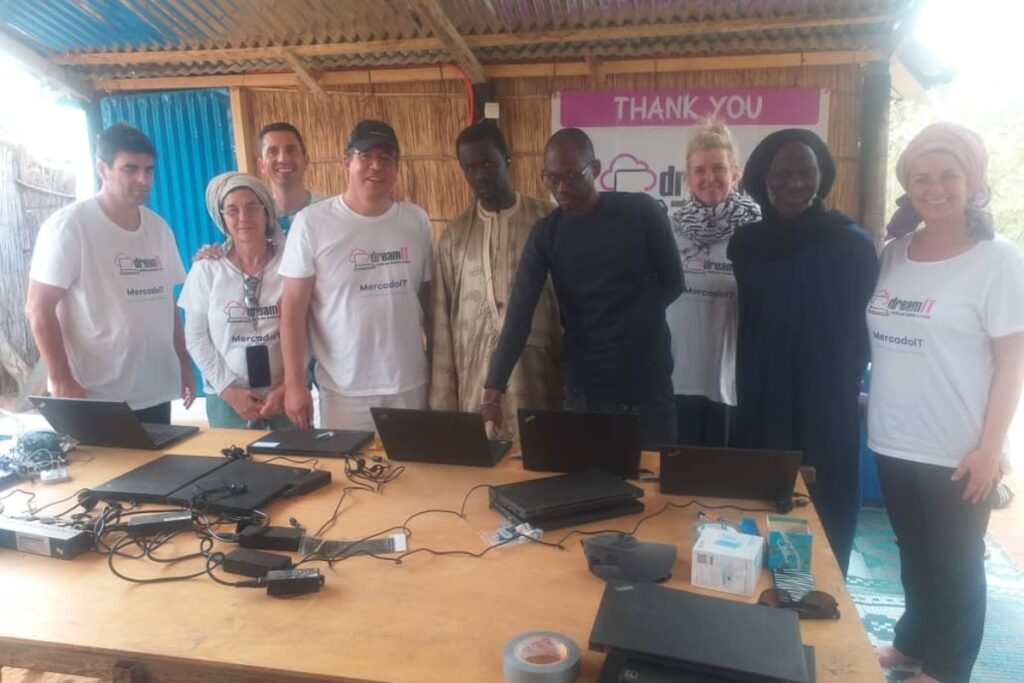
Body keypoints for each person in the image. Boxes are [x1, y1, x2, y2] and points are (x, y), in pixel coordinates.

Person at [868, 123, 1024, 683]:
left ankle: (950, 666)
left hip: (957, 446)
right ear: (907, 186)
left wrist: (991, 448)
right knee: (912, 548)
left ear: (972, 180)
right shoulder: (893, 254)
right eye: (921, 178)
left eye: (948, 175)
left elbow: (1012, 363)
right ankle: (913, 642)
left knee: (957, 562)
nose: (934, 189)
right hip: (892, 437)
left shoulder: (997, 260)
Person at [727, 128, 878, 577]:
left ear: (822, 177)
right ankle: (765, 602)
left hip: (825, 400)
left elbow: (865, 329)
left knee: (825, 510)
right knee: (762, 502)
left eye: (807, 172)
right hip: (761, 396)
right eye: (783, 173)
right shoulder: (748, 246)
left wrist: (845, 385)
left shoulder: (851, 244)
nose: (796, 182)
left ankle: (824, 602)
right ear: (763, 180)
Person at [481, 128, 684, 448]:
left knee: (655, 489)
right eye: (552, 178)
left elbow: (674, 282)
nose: (562, 188)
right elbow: (519, 314)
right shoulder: (546, 234)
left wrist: (631, 322)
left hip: (648, 387)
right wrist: (494, 390)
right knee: (584, 488)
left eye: (573, 176)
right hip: (586, 391)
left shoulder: (642, 212)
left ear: (597, 168)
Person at [25, 122, 195, 424]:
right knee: (111, 471)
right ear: (103, 169)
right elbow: (38, 307)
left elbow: (167, 302)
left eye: (149, 170)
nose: (143, 179)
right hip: (96, 395)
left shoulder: (158, 229)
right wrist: (60, 378)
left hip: (154, 388)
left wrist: (182, 361)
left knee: (159, 471)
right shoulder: (70, 226)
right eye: (130, 169)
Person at [279, 120, 432, 431]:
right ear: (346, 162)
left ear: (396, 167)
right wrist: (294, 384)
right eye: (365, 156)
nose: (376, 166)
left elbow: (428, 302)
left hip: (410, 385)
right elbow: (293, 310)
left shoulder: (416, 220)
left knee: (418, 477)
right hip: (344, 393)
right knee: (348, 478)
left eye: (387, 159)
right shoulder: (312, 223)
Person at [430, 121, 562, 438]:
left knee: (542, 462)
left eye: (487, 163)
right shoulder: (454, 236)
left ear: (507, 158)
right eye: (470, 167)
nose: (480, 175)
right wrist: (445, 406)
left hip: (540, 372)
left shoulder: (547, 220)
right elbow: (443, 324)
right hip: (476, 376)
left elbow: (570, 304)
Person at [666, 120, 760, 446]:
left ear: (735, 173)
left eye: (718, 168)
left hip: (731, 385)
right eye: (700, 170)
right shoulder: (669, 230)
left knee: (725, 490)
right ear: (687, 178)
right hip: (676, 381)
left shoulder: (756, 231)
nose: (709, 178)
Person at [178, 173, 294, 428]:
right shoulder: (207, 269)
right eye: (232, 210)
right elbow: (195, 337)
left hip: (285, 397)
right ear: (222, 218)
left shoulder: (291, 263)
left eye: (252, 207)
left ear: (266, 213)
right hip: (228, 401)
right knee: (235, 467)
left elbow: (308, 329)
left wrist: (289, 385)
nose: (243, 217)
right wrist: (228, 390)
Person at [256, 122, 327, 233]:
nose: (283, 159)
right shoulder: (255, 218)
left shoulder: (327, 212)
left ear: (306, 160)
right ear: (261, 166)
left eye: (291, 150)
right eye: (272, 152)